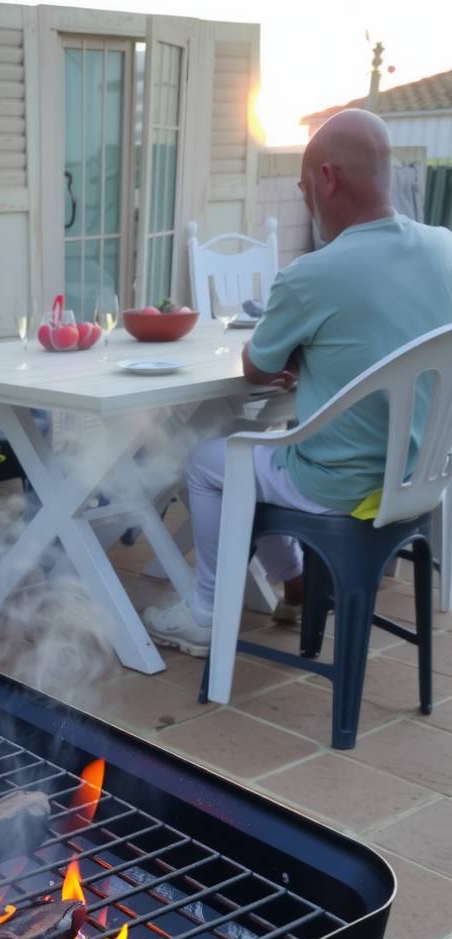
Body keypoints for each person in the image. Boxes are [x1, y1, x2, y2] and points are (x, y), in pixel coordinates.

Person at [144, 108, 452, 656]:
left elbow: (256, 369)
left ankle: (206, 615)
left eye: (304, 187)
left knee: (209, 461)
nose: (307, 200)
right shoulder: (445, 249)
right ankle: (295, 584)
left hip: (340, 486)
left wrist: (294, 355)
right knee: (255, 450)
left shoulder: (312, 274)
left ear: (327, 178)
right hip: (420, 478)